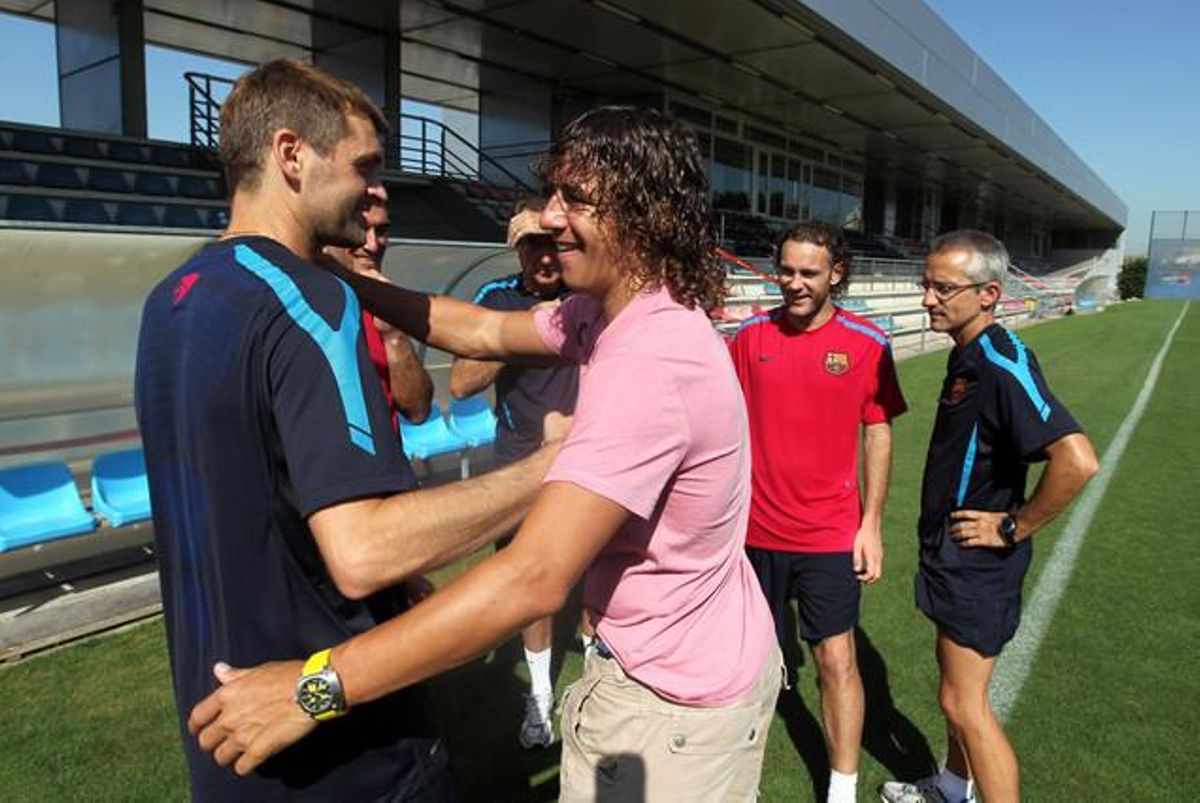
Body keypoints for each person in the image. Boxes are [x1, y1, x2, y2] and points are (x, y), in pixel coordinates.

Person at [188, 105, 781, 802]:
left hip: (675, 710)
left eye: (576, 200)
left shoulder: (654, 361)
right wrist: (344, 280)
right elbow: (484, 331)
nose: (549, 219)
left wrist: (311, 689)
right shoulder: (615, 309)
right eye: (555, 194)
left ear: (644, 216)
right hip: (672, 666)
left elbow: (531, 578)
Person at [134, 58, 562, 801]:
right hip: (344, 746)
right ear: (291, 154)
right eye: (363, 165)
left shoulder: (170, 299)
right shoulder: (310, 301)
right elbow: (364, 551)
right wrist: (556, 464)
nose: (373, 190)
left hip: (224, 740)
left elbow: (262, 502)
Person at [880, 230, 1099, 803]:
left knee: (963, 703)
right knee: (956, 692)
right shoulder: (968, 353)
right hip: (951, 554)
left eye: (943, 288)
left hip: (977, 563)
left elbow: (1077, 460)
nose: (928, 297)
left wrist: (1012, 526)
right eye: (925, 284)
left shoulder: (1002, 362)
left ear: (988, 293)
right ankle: (953, 787)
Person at [728, 221, 906, 803]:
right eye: (787, 270)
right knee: (746, 661)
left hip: (830, 533)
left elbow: (877, 431)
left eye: (809, 273)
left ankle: (842, 786)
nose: (795, 283)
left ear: (837, 274)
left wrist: (871, 524)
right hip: (752, 531)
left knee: (834, 658)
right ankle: (734, 776)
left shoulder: (867, 343)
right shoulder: (748, 337)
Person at [449, 199, 578, 749]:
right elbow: (461, 383)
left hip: (586, 457)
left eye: (551, 244)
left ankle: (598, 683)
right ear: (516, 247)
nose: (544, 258)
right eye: (531, 246)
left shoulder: (590, 292)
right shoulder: (496, 299)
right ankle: (541, 699)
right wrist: (527, 326)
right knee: (530, 587)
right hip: (517, 464)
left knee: (601, 575)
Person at [323, 185, 433, 428]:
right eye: (358, 229)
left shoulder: (381, 304)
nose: (371, 245)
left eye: (381, 230)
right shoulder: (294, 306)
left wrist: (394, 336)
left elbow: (418, 411)